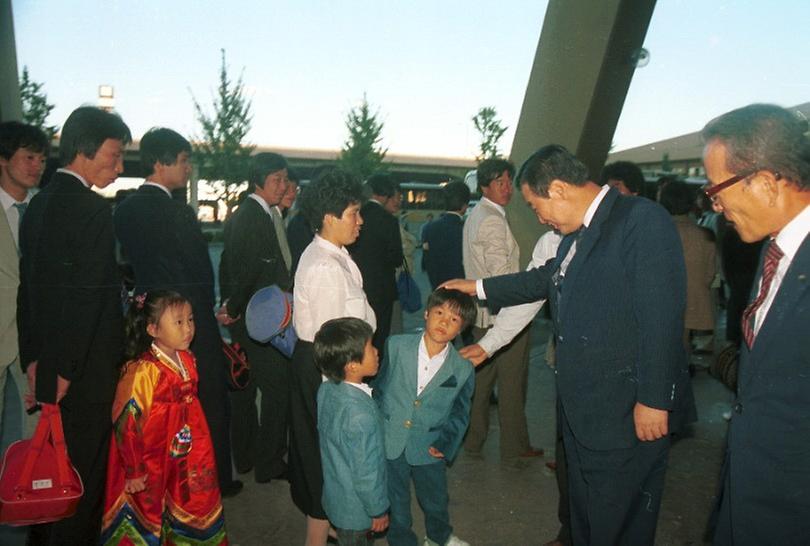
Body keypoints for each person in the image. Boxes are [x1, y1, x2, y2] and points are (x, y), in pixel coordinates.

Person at [445, 144, 694, 545]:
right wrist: (477, 287)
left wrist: (654, 399)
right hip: (584, 410)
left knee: (619, 521)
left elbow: (662, 319)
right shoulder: (574, 235)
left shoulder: (641, 221)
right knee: (585, 514)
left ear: (558, 189)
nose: (538, 216)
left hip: (627, 410)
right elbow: (543, 279)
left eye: (535, 204)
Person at [17, 106, 131, 545]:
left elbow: (28, 291)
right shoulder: (91, 210)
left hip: (49, 364)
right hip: (82, 372)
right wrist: (65, 368)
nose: (120, 167)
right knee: (81, 482)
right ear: (85, 150)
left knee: (50, 475)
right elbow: (86, 300)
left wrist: (35, 360)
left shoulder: (39, 204)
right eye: (115, 155)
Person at [700, 104, 810, 544]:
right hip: (750, 494)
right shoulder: (772, 249)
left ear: (765, 183)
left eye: (716, 188)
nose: (714, 203)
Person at [113, 127, 241, 497]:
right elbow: (200, 272)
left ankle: (162, 476)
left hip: (149, 317)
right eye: (184, 161)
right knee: (209, 398)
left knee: (156, 401)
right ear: (159, 162)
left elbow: (127, 266)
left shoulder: (124, 211)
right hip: (186, 316)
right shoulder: (177, 212)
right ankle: (215, 479)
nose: (188, 168)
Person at [290, 169, 376, 546]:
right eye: (354, 213)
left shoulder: (334, 254)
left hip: (332, 369)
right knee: (326, 468)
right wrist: (344, 395)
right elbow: (331, 342)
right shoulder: (325, 266)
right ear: (329, 217)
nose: (360, 221)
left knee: (324, 469)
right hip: (328, 373)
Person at [100, 290, 227, 545]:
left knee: (194, 501)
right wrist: (134, 469)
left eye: (190, 320)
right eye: (178, 322)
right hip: (151, 454)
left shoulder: (187, 358)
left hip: (188, 448)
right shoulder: (144, 370)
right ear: (153, 329)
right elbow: (127, 421)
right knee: (146, 508)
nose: (188, 328)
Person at [373, 288, 477, 546]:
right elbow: (380, 388)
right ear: (427, 313)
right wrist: (376, 429)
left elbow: (460, 413)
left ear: (461, 329)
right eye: (440, 313)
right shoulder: (396, 346)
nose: (444, 322)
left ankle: (439, 536)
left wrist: (446, 444)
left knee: (436, 498)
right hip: (391, 439)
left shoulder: (463, 369)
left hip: (429, 446)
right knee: (395, 498)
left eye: (454, 319)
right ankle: (401, 540)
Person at [462, 158, 541, 466]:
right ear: (484, 186)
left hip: (483, 316)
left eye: (509, 181)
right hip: (503, 315)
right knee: (512, 384)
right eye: (499, 182)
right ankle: (514, 445)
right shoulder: (493, 219)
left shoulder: (476, 213)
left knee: (481, 385)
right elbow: (500, 277)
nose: (507, 188)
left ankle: (472, 440)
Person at [219, 152, 292, 484]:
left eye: (285, 179)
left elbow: (227, 264)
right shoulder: (253, 216)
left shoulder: (256, 213)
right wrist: (232, 308)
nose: (283, 185)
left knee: (245, 390)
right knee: (276, 391)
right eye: (277, 179)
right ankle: (268, 463)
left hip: (252, 317)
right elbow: (247, 270)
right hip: (257, 319)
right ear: (258, 181)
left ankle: (247, 458)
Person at [314, 318, 389, 546]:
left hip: (337, 496)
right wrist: (378, 510)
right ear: (352, 366)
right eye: (370, 348)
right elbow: (367, 472)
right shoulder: (359, 416)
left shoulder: (326, 389)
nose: (377, 351)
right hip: (358, 511)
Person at [0, 121, 48, 444]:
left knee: (33, 441)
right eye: (29, 157)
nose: (37, 167)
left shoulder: (45, 210)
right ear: (3, 159)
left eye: (42, 159)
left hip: (33, 340)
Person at [658, 178, 717, 353]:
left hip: (662, 303)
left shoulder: (657, 232)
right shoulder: (705, 235)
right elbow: (710, 274)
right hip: (694, 301)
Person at [348, 173, 404, 357]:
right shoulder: (389, 220)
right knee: (379, 337)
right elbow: (396, 258)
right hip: (382, 290)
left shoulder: (356, 214)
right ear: (386, 194)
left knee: (360, 334)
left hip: (358, 285)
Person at [421, 181, 470, 289]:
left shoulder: (429, 228)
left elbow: (428, 263)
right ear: (464, 206)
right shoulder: (466, 229)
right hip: (461, 289)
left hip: (437, 288)